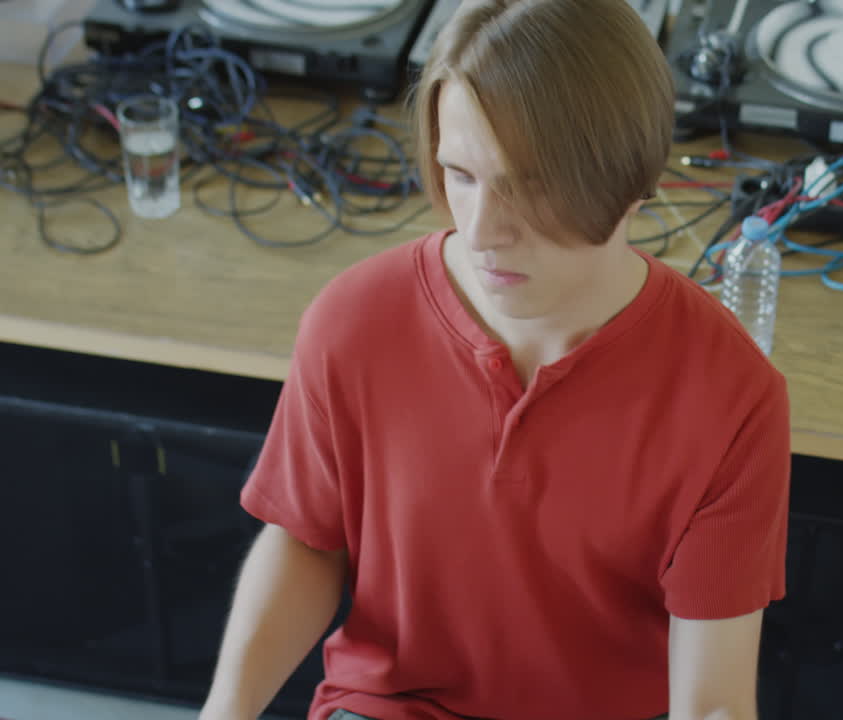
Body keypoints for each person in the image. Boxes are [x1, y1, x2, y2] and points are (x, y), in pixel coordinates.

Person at [198, 0, 791, 718]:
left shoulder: (732, 395)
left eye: (528, 184)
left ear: (628, 178)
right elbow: (307, 541)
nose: (481, 231)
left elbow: (713, 705)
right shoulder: (353, 320)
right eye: (461, 174)